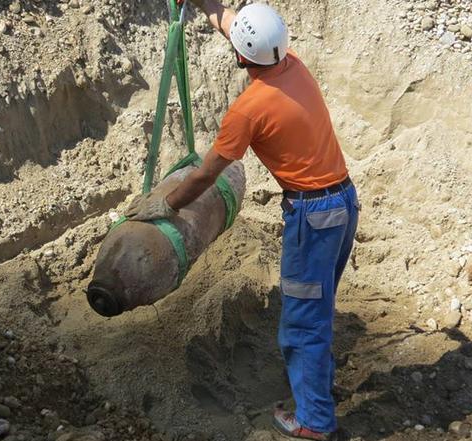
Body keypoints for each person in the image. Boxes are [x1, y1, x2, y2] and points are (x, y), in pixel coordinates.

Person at [126, 1, 359, 439]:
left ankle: (314, 423)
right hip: (344, 202)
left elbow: (205, 175)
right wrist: (204, 4)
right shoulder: (292, 64)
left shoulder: (248, 110)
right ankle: (318, 391)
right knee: (318, 305)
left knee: (301, 321)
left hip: (314, 217)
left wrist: (167, 205)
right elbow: (235, 26)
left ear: (240, 55)